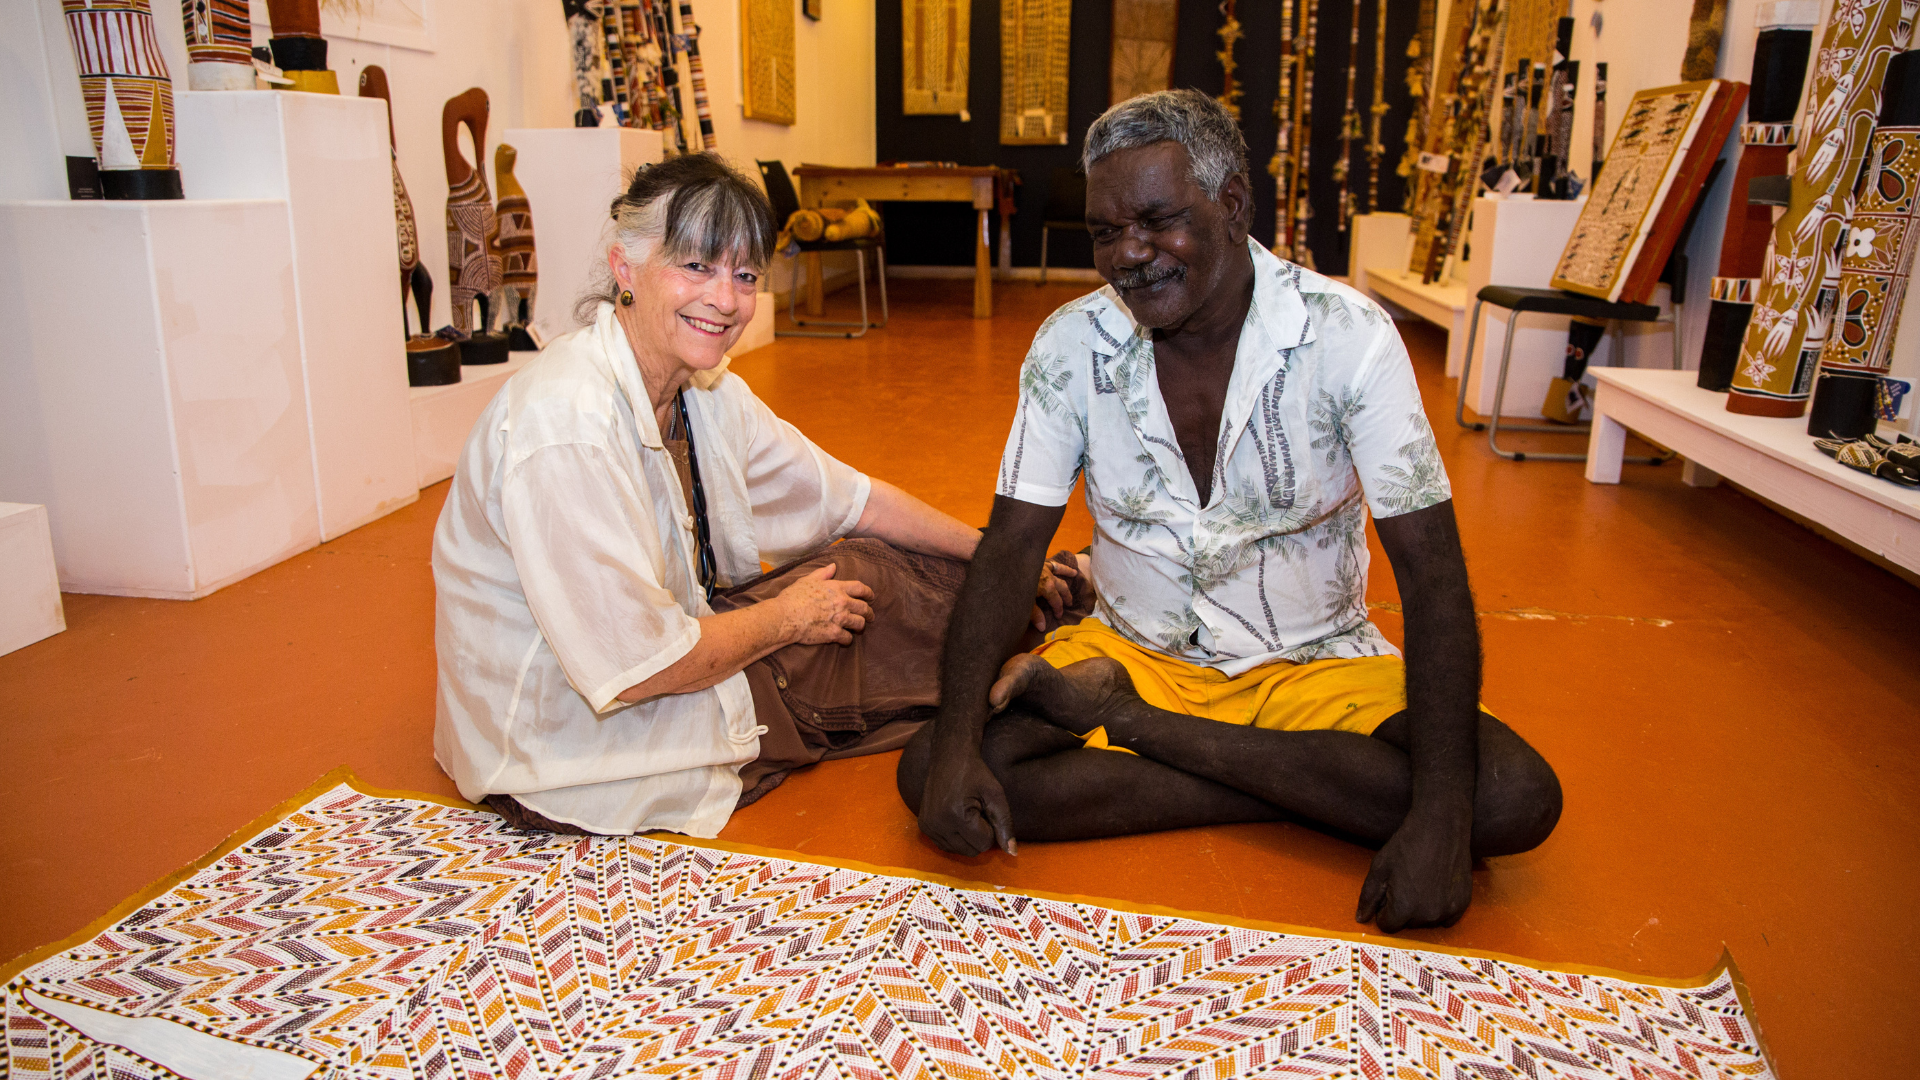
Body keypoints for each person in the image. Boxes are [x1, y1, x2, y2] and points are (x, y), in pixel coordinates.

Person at [898, 91, 1562, 932]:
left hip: (1314, 661)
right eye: (1106, 232)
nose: (1131, 255)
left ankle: (1138, 731)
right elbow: (1010, 548)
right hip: (1135, 649)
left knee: (1511, 798)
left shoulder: (1347, 336)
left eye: (1157, 221)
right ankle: (1297, 789)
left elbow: (1433, 580)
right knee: (932, 768)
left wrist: (1436, 821)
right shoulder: (1072, 345)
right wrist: (958, 747)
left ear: (1234, 203)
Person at [433, 154, 1072, 836]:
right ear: (626, 269)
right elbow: (635, 671)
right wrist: (786, 619)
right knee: (856, 615)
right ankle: (1051, 651)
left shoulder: (704, 393)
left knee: (867, 564)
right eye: (696, 268)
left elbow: (853, 500)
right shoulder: (566, 427)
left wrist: (1000, 553)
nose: (726, 300)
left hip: (669, 648)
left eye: (743, 276)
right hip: (570, 742)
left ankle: (1043, 614)